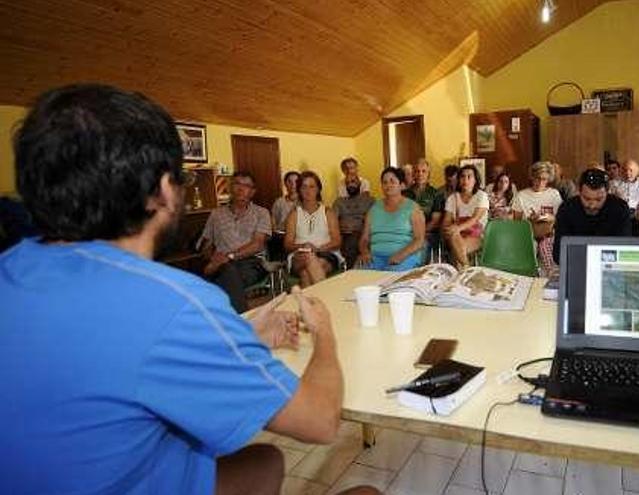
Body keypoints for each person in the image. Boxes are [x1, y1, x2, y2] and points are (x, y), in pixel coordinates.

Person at [0, 84, 378, 495]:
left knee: (264, 460)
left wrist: (240, 338)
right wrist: (323, 331)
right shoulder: (174, 303)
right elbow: (321, 422)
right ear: (163, 190)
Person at [200, 171, 272, 313]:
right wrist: (212, 258)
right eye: (237, 184)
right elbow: (206, 246)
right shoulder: (216, 214)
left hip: (251, 262)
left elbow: (257, 244)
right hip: (220, 262)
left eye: (246, 186)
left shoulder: (261, 213)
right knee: (225, 273)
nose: (241, 188)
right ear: (230, 187)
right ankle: (241, 318)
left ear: (252, 192)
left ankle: (237, 316)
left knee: (224, 274)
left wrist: (227, 258)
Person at [553, 169, 631, 262]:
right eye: (586, 198)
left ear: (607, 193)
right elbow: (559, 254)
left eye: (598, 199)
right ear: (579, 191)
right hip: (576, 263)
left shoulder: (619, 209)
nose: (592, 205)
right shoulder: (567, 209)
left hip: (610, 264)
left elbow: (623, 250)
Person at [358, 167, 425, 271]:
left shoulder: (413, 208)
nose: (388, 185)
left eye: (392, 181)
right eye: (384, 182)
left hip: (405, 256)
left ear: (402, 185)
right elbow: (364, 239)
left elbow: (419, 240)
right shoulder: (374, 209)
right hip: (375, 257)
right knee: (357, 274)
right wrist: (365, 252)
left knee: (391, 278)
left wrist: (401, 255)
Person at [284, 171, 343, 287]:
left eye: (312, 186)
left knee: (306, 274)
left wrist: (318, 249)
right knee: (309, 257)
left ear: (318, 189)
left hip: (326, 253)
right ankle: (326, 300)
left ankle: (311, 304)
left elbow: (337, 241)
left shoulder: (328, 212)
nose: (308, 191)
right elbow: (287, 244)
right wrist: (303, 246)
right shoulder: (294, 214)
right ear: (299, 190)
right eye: (304, 187)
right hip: (299, 256)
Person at [512, 162, 563, 275]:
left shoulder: (554, 194)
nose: (540, 182)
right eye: (537, 178)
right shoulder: (521, 196)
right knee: (532, 245)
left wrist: (548, 217)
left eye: (544, 179)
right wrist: (531, 220)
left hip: (549, 234)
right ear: (532, 177)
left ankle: (553, 275)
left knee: (545, 245)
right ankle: (532, 274)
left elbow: (560, 219)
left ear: (548, 179)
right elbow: (517, 224)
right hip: (529, 234)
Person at [443, 164, 489, 269]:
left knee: (457, 249)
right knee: (455, 238)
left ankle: (463, 270)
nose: (465, 180)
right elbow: (446, 221)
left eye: (469, 176)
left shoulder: (481, 196)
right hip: (455, 235)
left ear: (475, 180)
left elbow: (475, 219)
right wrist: (448, 230)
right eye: (462, 176)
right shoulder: (452, 198)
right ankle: (467, 270)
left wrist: (457, 228)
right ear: (458, 180)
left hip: (478, 236)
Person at [403, 158, 445, 262]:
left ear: (428, 174)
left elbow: (435, 221)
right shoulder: (404, 194)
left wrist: (419, 233)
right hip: (406, 233)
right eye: (417, 171)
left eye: (423, 171)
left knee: (419, 248)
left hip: (428, 234)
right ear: (413, 174)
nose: (420, 174)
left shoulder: (436, 194)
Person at [333, 173, 375, 269]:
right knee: (351, 240)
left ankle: (352, 270)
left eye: (353, 182)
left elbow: (374, 221)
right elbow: (332, 222)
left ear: (360, 183)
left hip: (364, 234)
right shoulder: (339, 202)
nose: (350, 185)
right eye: (347, 183)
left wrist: (359, 227)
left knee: (355, 239)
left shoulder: (370, 201)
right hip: (345, 235)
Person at [610, 159, 639, 235]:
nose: (627, 173)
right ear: (621, 170)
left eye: (631, 170)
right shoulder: (613, 183)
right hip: (620, 217)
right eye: (625, 170)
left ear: (637, 172)